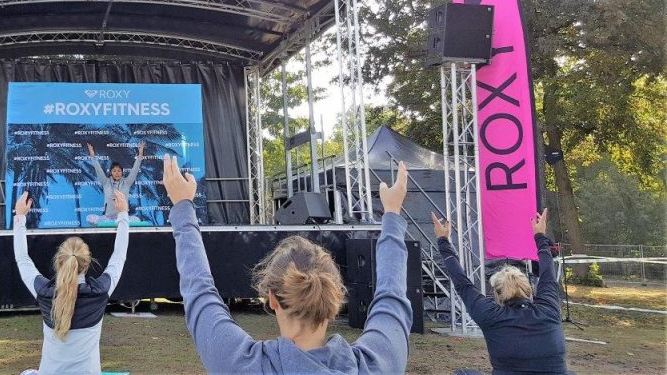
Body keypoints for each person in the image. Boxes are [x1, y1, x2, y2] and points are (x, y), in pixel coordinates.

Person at [163, 153, 413, 374]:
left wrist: (183, 207)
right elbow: (392, 297)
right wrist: (391, 213)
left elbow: (199, 289)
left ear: (271, 299)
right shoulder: (377, 365)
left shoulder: (241, 365)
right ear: (334, 300)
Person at [432, 208, 570, 375]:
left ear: (497, 295)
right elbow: (548, 271)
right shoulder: (549, 309)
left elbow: (462, 283)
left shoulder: (491, 315)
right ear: (529, 289)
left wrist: (443, 240)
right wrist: (540, 235)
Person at [13, 189, 130, 375]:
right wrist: (123, 215)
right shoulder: (99, 291)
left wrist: (20, 217)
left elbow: (22, 258)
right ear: (87, 263)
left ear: (59, 262)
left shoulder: (44, 291)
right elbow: (119, 256)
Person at [85, 140, 145, 225]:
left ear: (122, 172)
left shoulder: (127, 182)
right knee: (89, 218)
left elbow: (135, 170)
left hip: (122, 218)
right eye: (114, 171)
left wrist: (140, 155)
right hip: (107, 218)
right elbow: (98, 169)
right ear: (111, 172)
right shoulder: (105, 182)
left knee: (136, 220)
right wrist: (92, 156)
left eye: (119, 171)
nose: (117, 173)